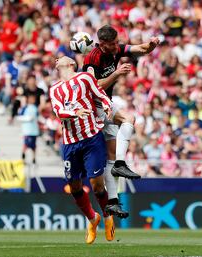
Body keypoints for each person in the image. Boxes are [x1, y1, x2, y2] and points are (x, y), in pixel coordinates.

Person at [83, 25, 159, 217]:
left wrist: (151, 45)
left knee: (111, 153)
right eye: (114, 43)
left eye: (118, 42)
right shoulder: (92, 58)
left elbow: (140, 49)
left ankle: (113, 201)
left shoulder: (116, 49)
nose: (118, 46)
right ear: (103, 44)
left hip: (105, 104)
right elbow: (93, 85)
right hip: (94, 105)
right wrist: (116, 74)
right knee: (129, 118)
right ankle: (120, 163)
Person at [50, 56, 114, 244]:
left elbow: (100, 94)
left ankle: (108, 217)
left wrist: (108, 106)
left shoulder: (84, 78)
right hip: (70, 143)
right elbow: (58, 111)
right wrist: (75, 113)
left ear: (70, 64)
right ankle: (93, 219)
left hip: (91, 138)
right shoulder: (55, 89)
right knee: (74, 186)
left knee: (96, 184)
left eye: (60, 58)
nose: (56, 59)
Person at [16, 95, 39, 164]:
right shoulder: (24, 108)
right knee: (25, 145)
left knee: (33, 146)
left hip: (33, 131)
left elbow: (31, 117)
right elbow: (21, 117)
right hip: (27, 131)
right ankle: (23, 158)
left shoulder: (34, 108)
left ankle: (34, 158)